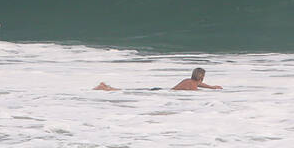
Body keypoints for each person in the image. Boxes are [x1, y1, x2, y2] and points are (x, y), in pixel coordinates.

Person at [92, 68, 221, 92]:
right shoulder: (192, 84)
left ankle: (106, 87)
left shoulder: (191, 81)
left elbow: (200, 85)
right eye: (203, 75)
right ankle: (106, 88)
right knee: (128, 90)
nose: (203, 77)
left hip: (161, 90)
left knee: (129, 90)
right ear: (200, 75)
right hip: (160, 92)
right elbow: (195, 89)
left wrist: (212, 87)